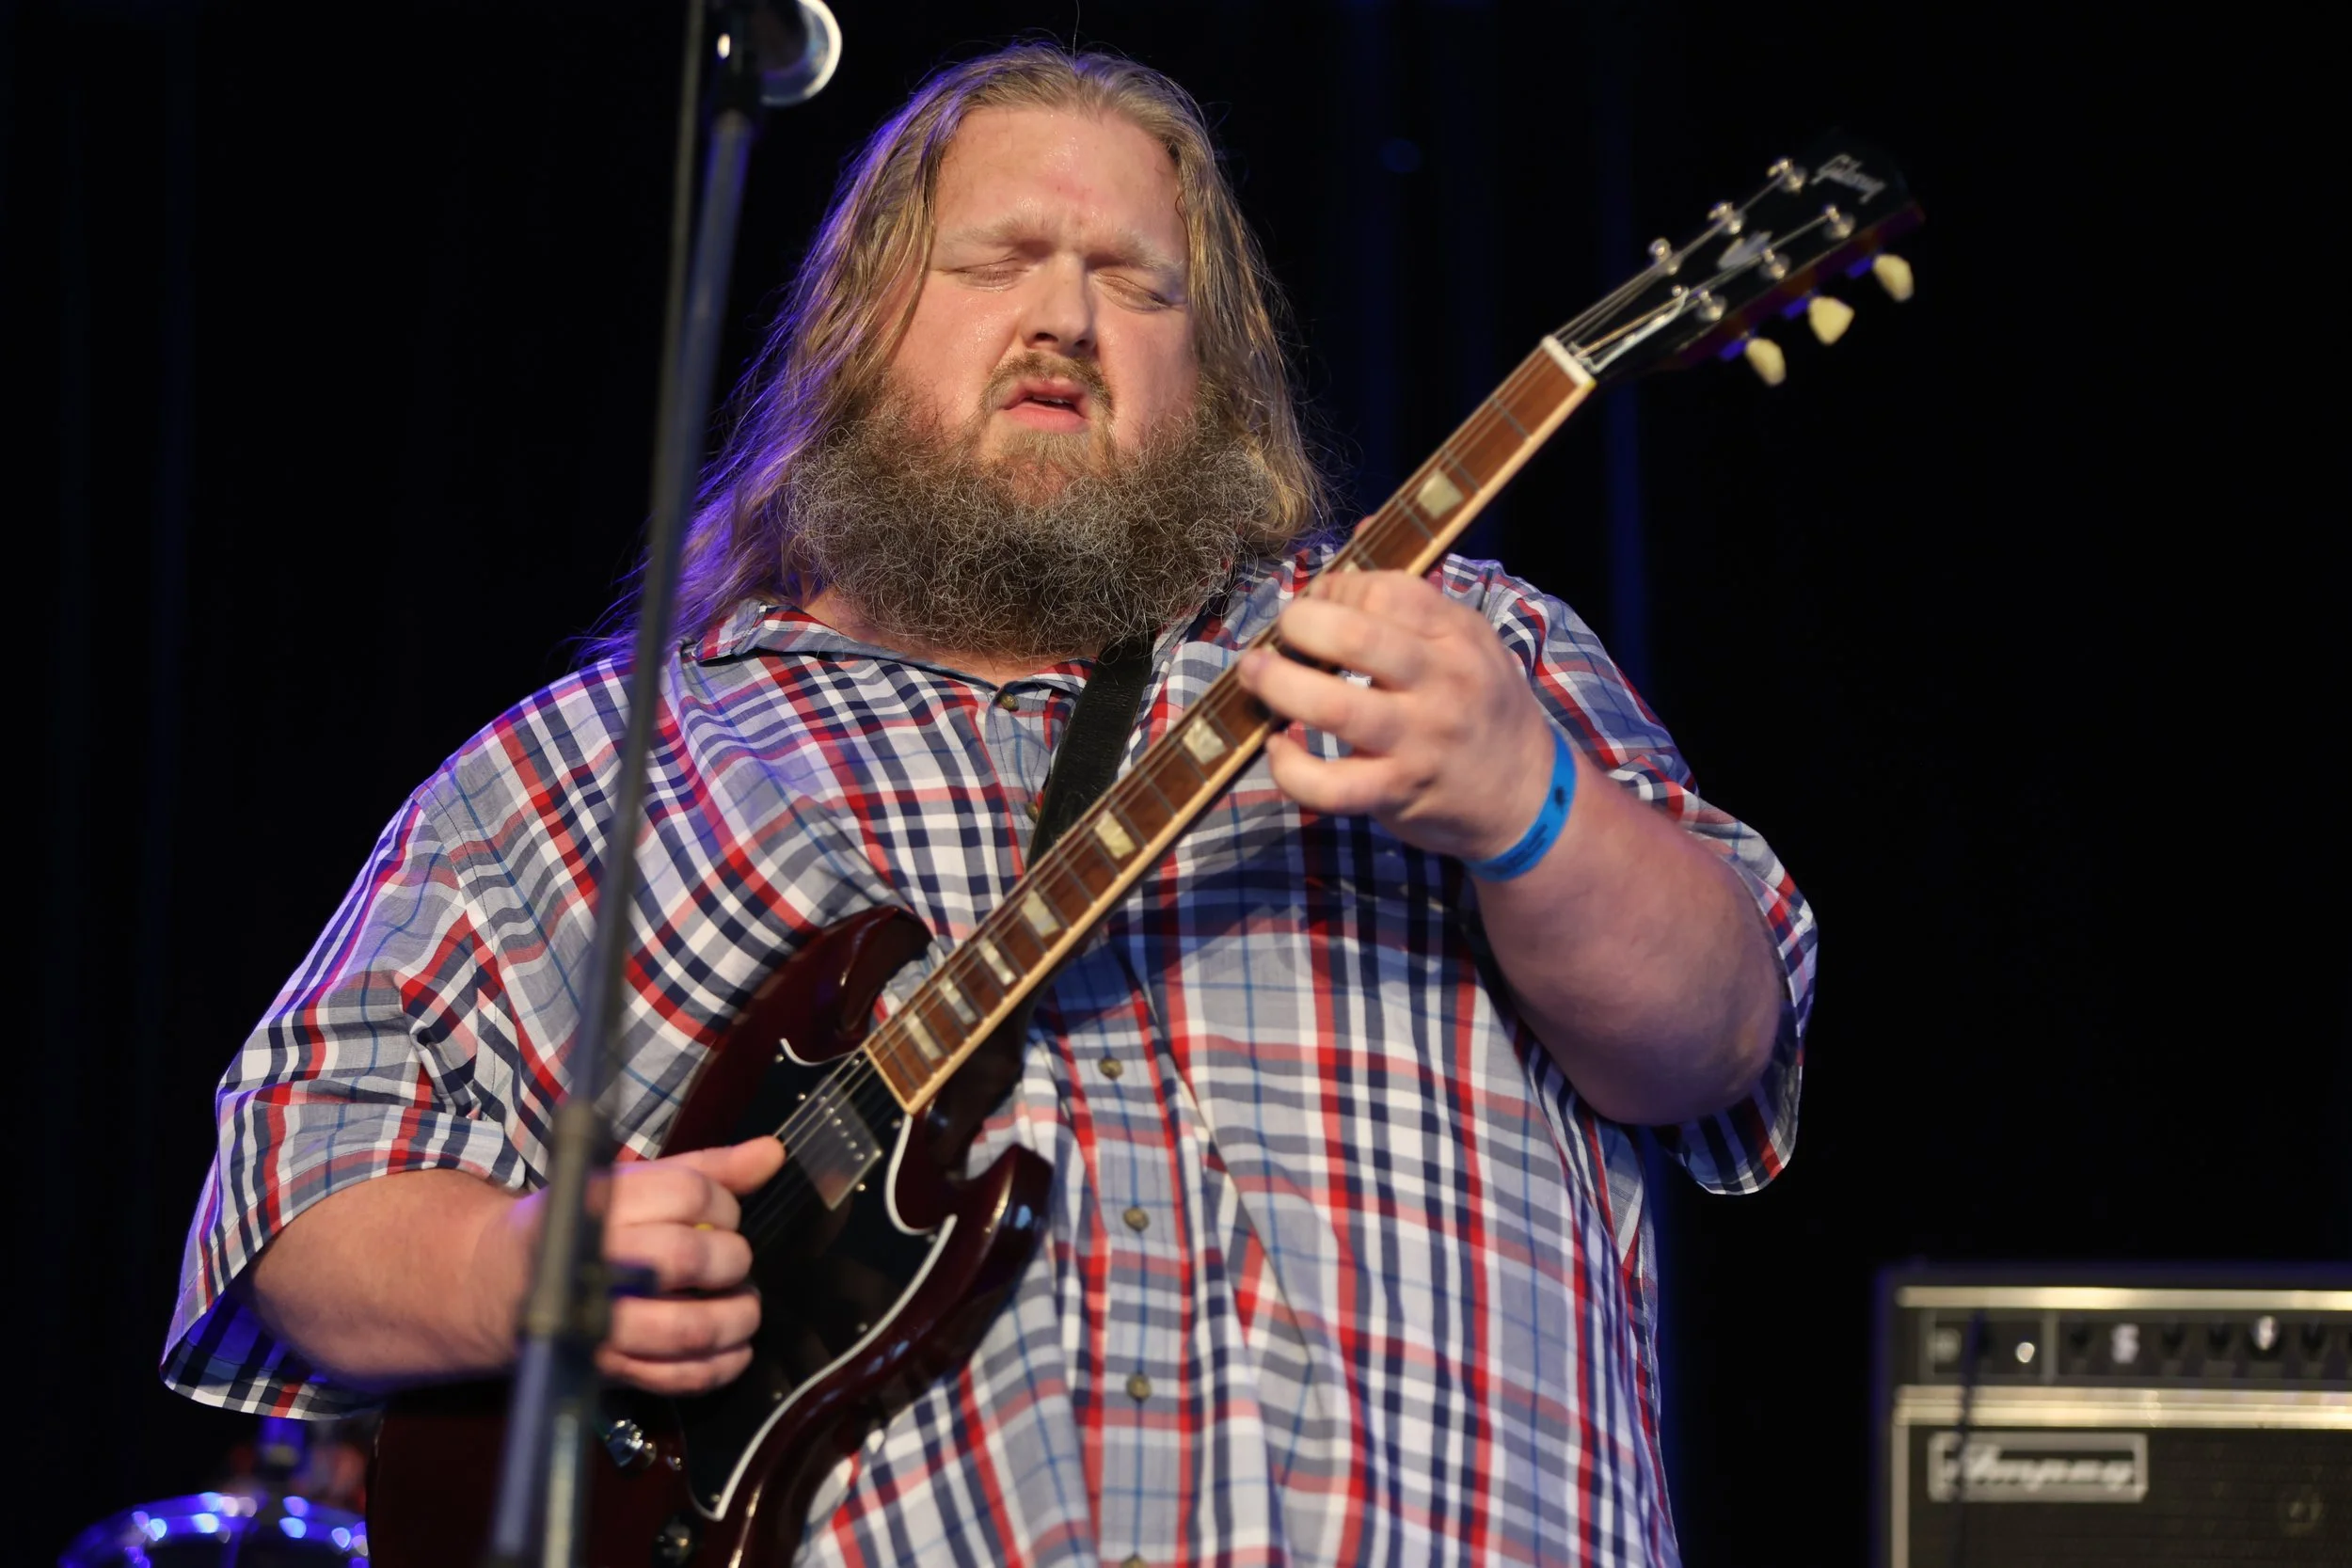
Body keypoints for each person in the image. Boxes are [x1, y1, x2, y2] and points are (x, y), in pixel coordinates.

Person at [164, 45, 1814, 1568]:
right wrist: (513, 1269)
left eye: (1134, 283)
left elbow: (1719, 1033)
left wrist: (1528, 802)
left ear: (1221, 382)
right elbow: (288, 1195)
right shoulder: (591, 766)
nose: (1067, 321)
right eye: (997, 261)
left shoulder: (1455, 645)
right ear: (855, 330)